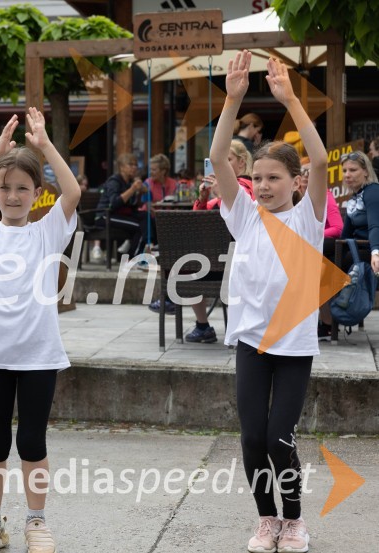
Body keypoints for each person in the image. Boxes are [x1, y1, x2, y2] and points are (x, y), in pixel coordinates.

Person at [0, 108, 80, 553]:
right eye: (4, 188)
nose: (12, 195)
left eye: (22, 188)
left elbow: (74, 190)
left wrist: (43, 145)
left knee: (31, 440)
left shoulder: (47, 233)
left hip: (38, 354)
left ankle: (37, 523)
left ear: (36, 193)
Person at [213, 52, 326, 553]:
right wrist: (232, 99)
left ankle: (295, 521)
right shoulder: (245, 217)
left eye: (273, 179)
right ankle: (267, 520)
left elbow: (321, 159)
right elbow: (219, 159)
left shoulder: (309, 220)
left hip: (294, 343)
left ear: (295, 183)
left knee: (281, 436)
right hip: (251, 344)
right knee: (253, 439)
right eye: (257, 179)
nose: (262, 186)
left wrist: (290, 100)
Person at [181, 139, 255, 339]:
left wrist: (220, 193)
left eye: (226, 160)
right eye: (217, 163)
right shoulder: (221, 187)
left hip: (238, 260)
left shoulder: (247, 185)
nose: (220, 166)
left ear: (241, 163)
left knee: (188, 265)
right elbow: (198, 219)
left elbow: (240, 210)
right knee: (188, 263)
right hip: (215, 261)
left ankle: (198, 321)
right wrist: (203, 198)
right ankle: (202, 326)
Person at [319, 150, 379, 339]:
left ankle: (329, 323)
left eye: (353, 170)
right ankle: (327, 321)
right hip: (355, 248)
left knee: (324, 268)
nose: (347, 175)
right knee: (316, 252)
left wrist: (376, 251)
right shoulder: (355, 196)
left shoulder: (373, 191)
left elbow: (376, 225)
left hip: (368, 251)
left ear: (366, 172)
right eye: (344, 171)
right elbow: (344, 235)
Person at [91, 153, 146, 262]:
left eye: (136, 165)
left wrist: (139, 192)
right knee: (140, 227)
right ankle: (132, 259)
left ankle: (127, 251)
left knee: (147, 219)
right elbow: (114, 203)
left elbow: (132, 204)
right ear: (121, 167)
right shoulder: (114, 181)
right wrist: (133, 189)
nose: (134, 168)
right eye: (131, 165)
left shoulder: (129, 182)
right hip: (105, 216)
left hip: (118, 215)